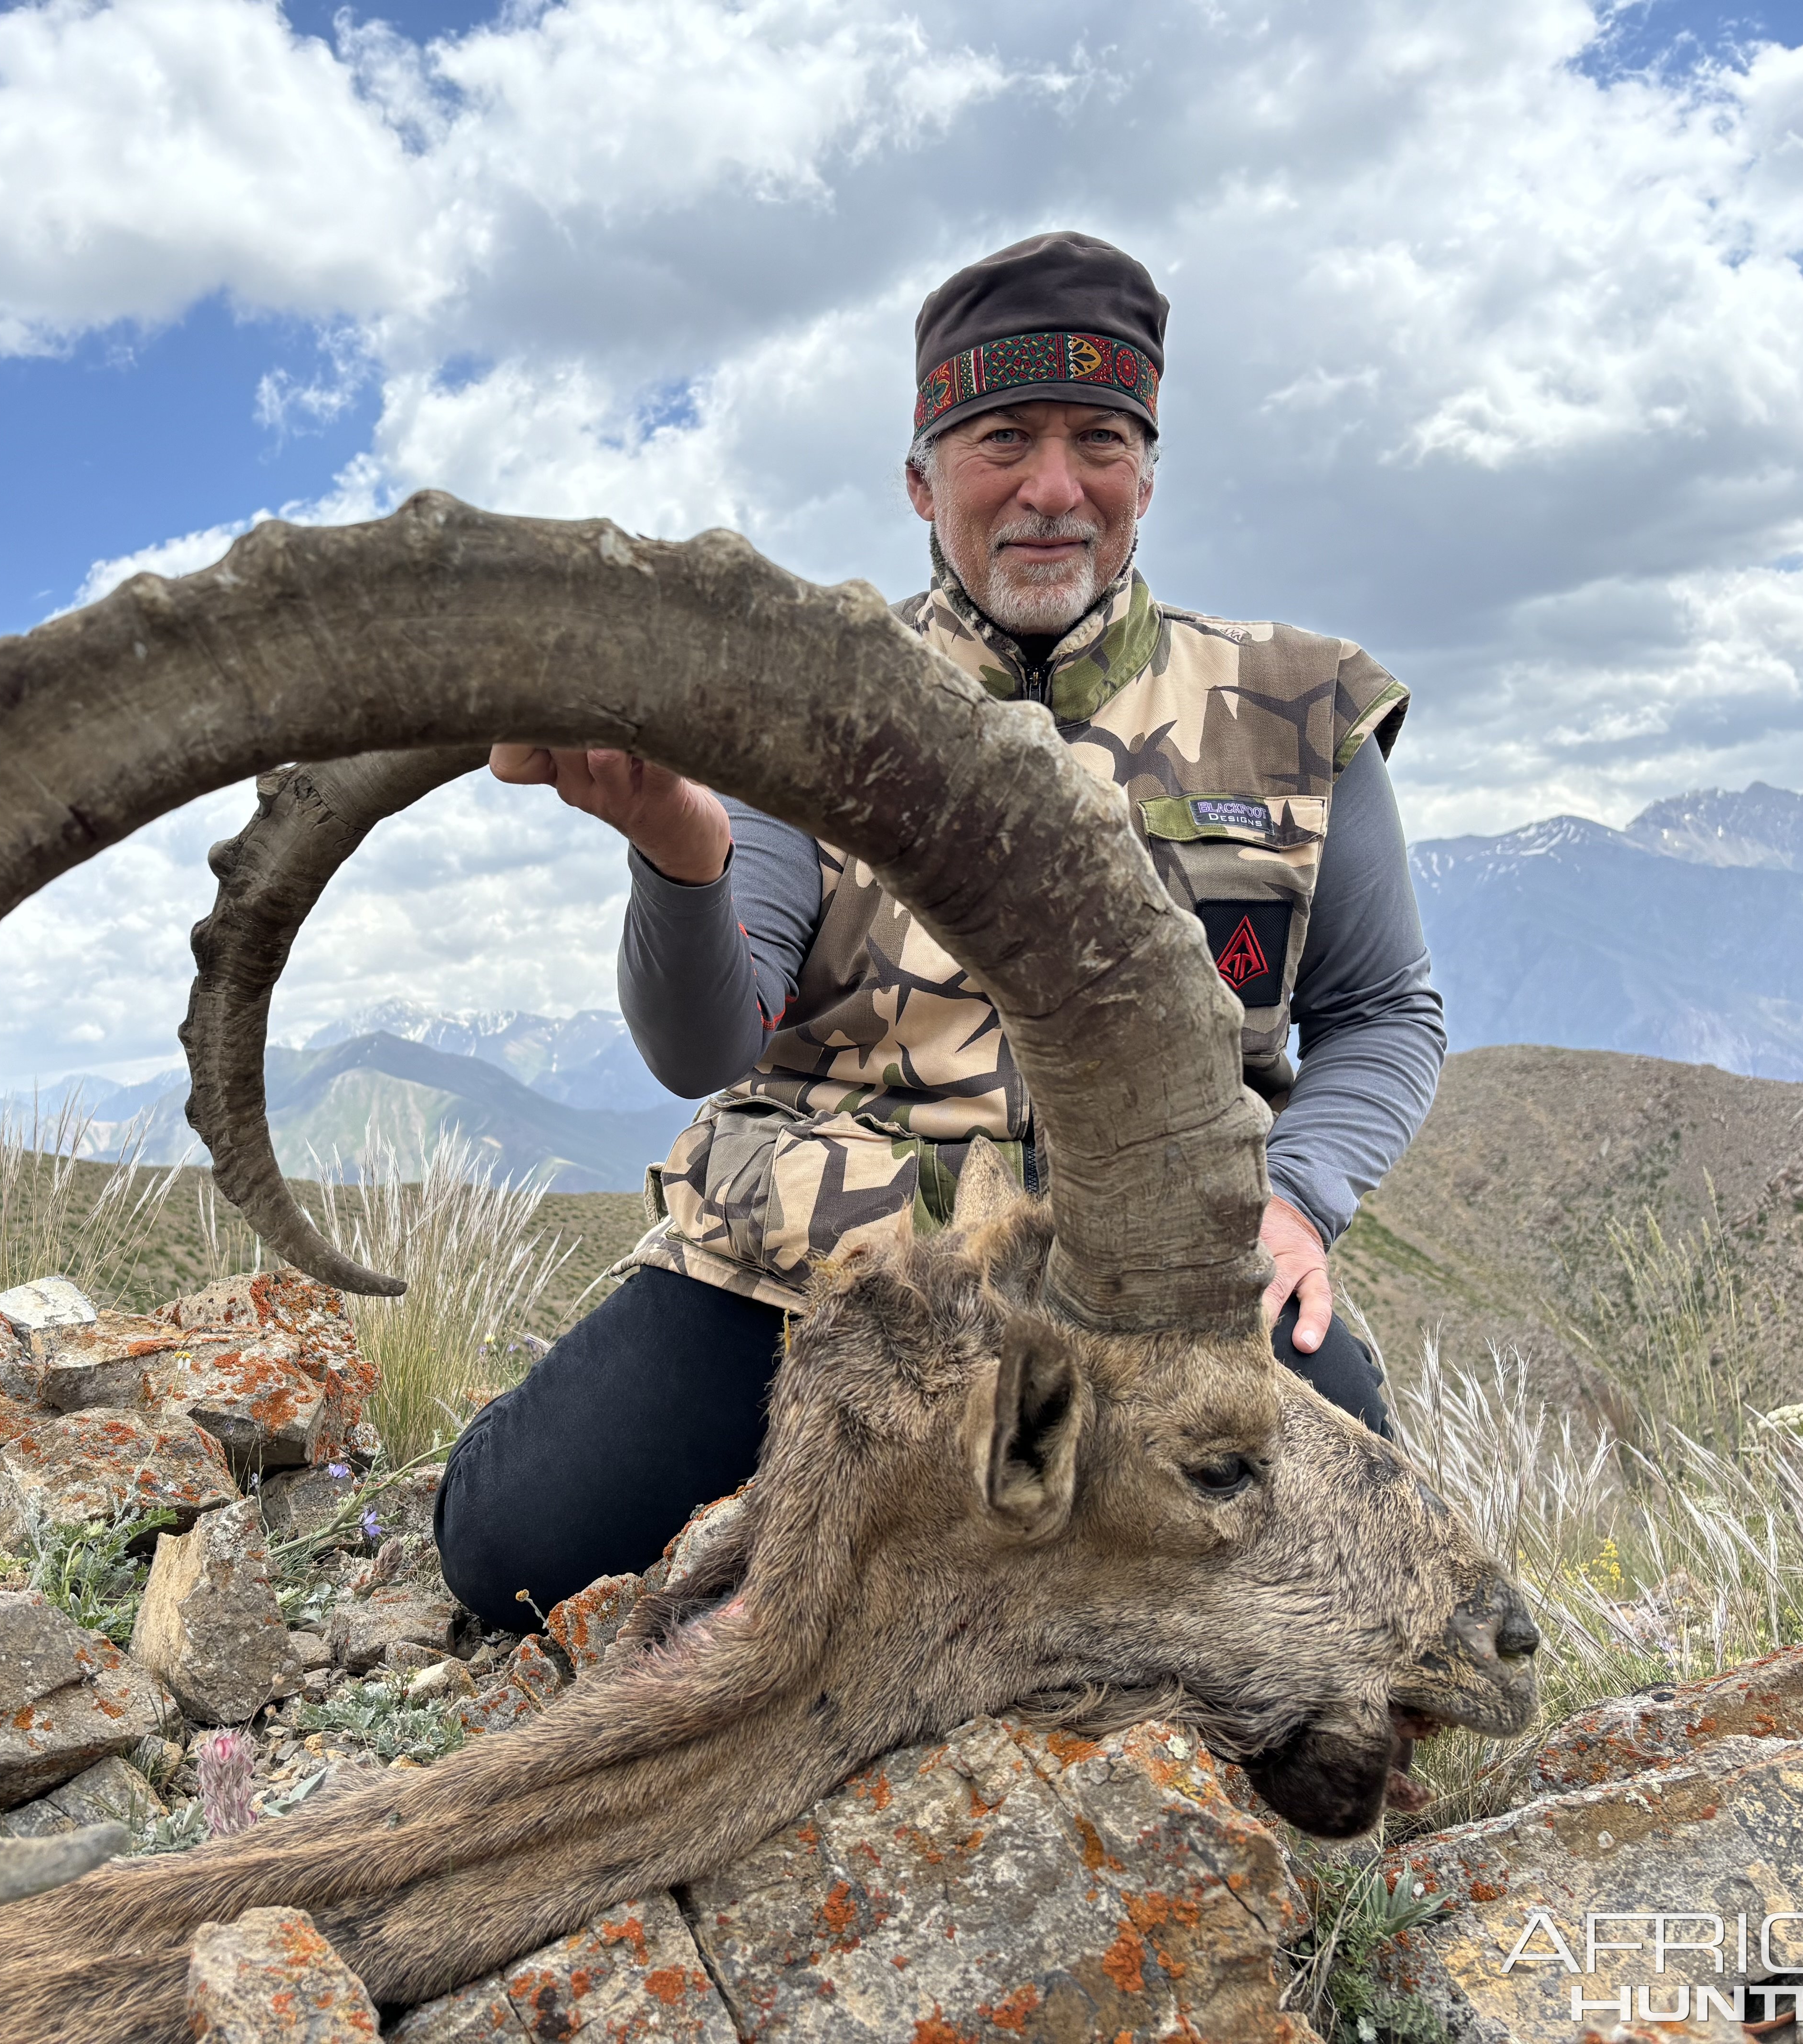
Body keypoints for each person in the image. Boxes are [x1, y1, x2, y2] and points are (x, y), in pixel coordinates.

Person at [434, 231, 1446, 1619]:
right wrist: (678, 843)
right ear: (922, 479)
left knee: (1367, 1603)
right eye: (1001, 439)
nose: (1052, 487)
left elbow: (1387, 1016)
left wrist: (1296, 1200)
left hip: (1158, 1273)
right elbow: (707, 1042)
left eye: (1100, 438)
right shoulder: (802, 698)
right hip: (830, 1269)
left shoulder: (1303, 711)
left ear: (1148, 473)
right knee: (511, 1553)